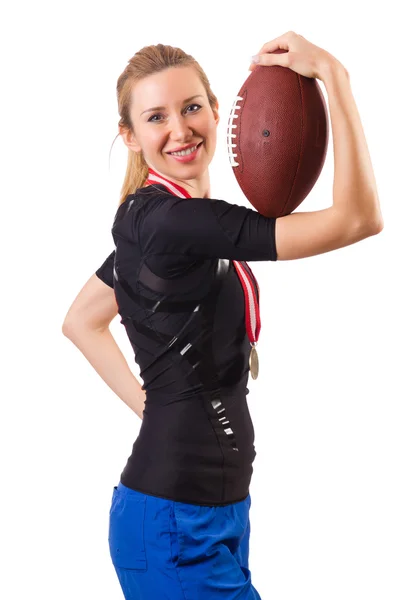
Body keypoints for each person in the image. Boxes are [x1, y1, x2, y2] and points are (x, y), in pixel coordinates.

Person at [62, 31, 383, 600]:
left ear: (217, 110)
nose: (180, 130)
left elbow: (82, 319)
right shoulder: (173, 224)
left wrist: (161, 409)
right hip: (175, 525)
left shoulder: (160, 223)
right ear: (130, 137)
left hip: (214, 513)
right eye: (156, 117)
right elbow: (358, 218)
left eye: (190, 108)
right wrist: (335, 76)